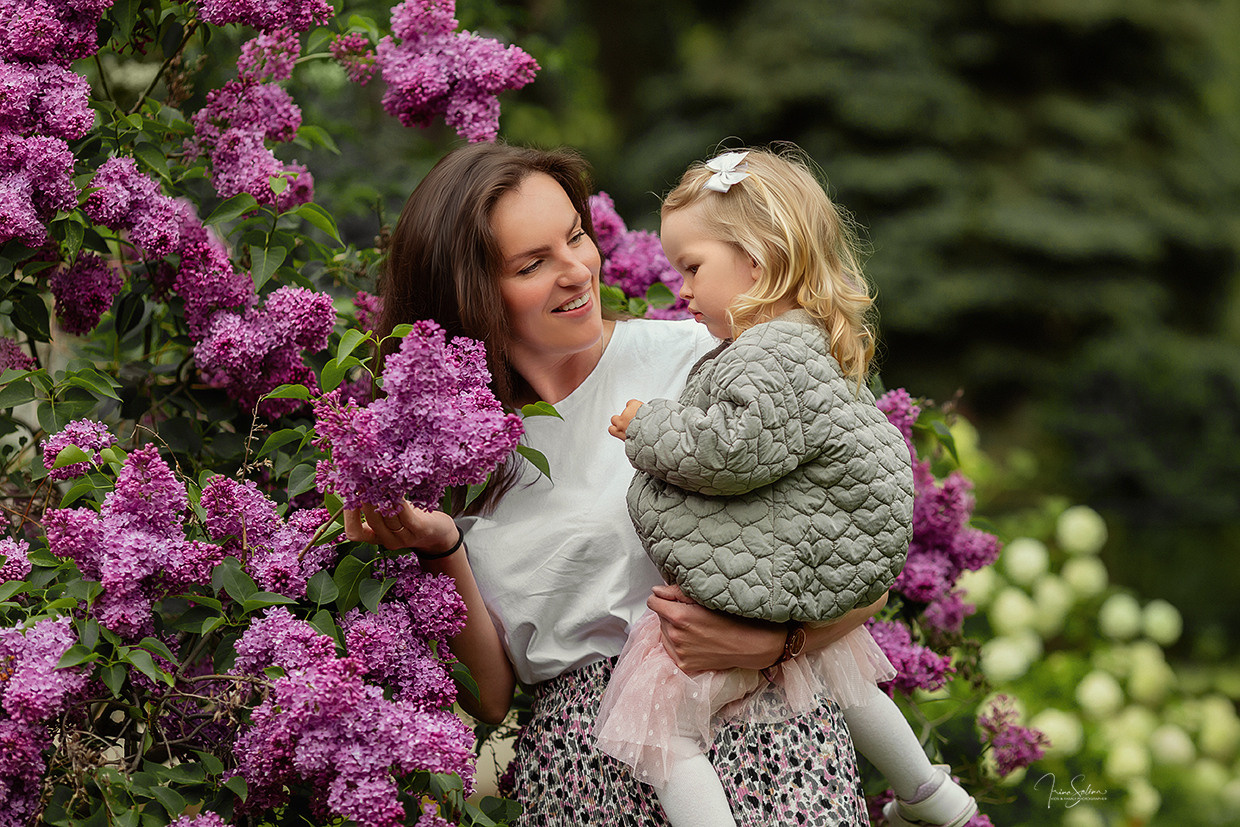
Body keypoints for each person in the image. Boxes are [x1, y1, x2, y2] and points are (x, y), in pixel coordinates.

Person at [343, 141, 882, 825]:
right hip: (578, 780)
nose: (577, 271)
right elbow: (491, 695)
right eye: (534, 263)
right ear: (471, 293)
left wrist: (775, 644)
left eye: (575, 237)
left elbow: (861, 552)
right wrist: (441, 546)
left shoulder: (705, 362)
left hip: (761, 748)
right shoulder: (454, 456)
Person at [594, 147, 979, 827]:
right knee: (842, 673)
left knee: (668, 737)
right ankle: (928, 792)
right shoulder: (805, 345)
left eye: (693, 266)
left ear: (759, 261)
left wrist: (648, 429)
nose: (680, 287)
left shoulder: (767, 353)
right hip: (799, 569)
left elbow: (730, 450)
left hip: (756, 589)